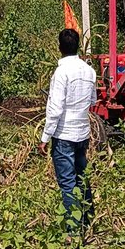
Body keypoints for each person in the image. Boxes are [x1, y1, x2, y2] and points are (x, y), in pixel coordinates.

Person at [38, 28, 97, 236]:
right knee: (82, 176)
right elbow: (92, 101)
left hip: (63, 135)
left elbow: (55, 109)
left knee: (67, 182)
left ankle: (72, 230)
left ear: (60, 47)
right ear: (78, 46)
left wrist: (45, 138)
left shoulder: (61, 73)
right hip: (82, 133)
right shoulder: (89, 71)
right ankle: (88, 219)